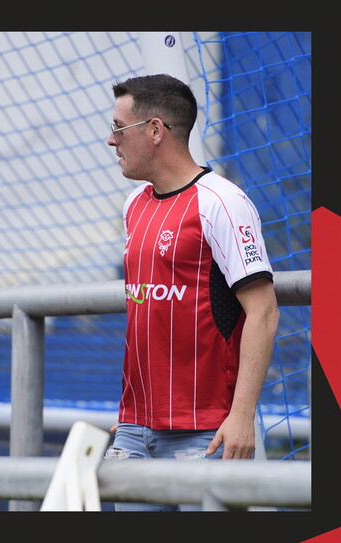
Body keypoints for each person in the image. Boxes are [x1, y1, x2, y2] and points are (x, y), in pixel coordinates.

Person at [104, 74, 279, 511]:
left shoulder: (222, 202)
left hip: (207, 433)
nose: (110, 141)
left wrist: (242, 416)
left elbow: (263, 312)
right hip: (133, 432)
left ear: (155, 130)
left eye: (119, 128)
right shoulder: (133, 205)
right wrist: (132, 415)